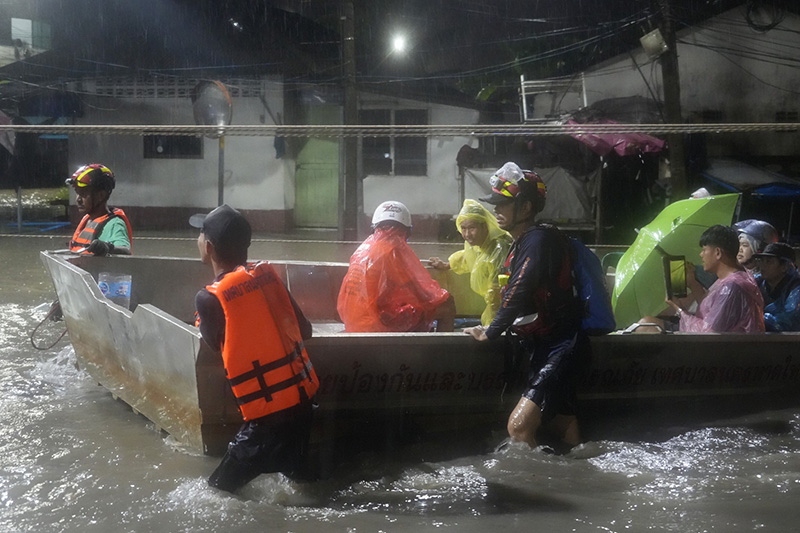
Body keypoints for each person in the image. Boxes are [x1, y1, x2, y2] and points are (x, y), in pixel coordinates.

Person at [192, 204, 318, 492]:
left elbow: (214, 345)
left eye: (199, 235)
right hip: (303, 407)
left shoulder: (209, 299)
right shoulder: (268, 278)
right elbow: (305, 330)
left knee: (216, 493)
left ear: (208, 247)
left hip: (266, 423)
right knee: (301, 488)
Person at [464, 162, 586, 450]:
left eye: (503, 204)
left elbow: (520, 288)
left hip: (561, 346)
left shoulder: (537, 240)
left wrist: (490, 331)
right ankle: (574, 466)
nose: (496, 210)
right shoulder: (523, 242)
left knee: (518, 427)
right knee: (562, 423)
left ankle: (532, 480)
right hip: (546, 344)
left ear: (526, 208)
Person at [337, 201, 455, 332]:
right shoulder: (395, 251)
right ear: (407, 231)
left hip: (353, 321)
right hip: (375, 324)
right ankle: (442, 345)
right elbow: (421, 296)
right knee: (447, 304)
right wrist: (439, 296)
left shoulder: (363, 249)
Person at [659, 225, 765, 333]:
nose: (701, 255)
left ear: (718, 253)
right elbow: (709, 310)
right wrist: (692, 283)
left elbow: (709, 333)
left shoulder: (731, 288)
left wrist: (680, 309)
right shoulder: (734, 279)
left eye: (704, 250)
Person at [429, 199, 513, 326]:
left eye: (472, 228)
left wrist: (490, 329)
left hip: (506, 312)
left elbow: (497, 295)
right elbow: (469, 257)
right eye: (463, 228)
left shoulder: (499, 248)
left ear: (485, 226)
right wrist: (446, 265)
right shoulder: (481, 245)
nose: (467, 234)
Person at [66, 163, 132, 256]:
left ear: (101, 195)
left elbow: (126, 251)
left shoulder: (114, 224)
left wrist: (107, 247)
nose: (78, 199)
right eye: (77, 193)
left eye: (83, 194)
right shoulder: (88, 219)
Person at [753, 242, 800, 332]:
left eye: (769, 261)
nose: (763, 266)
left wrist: (757, 318)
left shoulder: (796, 288)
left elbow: (788, 321)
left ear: (784, 267)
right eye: (761, 261)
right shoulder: (756, 283)